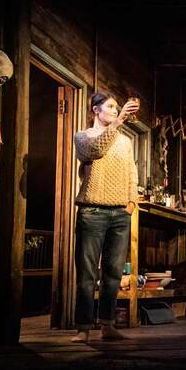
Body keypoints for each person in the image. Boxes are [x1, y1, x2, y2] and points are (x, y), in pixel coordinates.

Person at [71, 92, 139, 343]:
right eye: (110, 106)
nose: (114, 110)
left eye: (116, 107)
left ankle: (108, 325)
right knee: (87, 273)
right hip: (92, 212)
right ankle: (83, 327)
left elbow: (132, 173)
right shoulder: (83, 136)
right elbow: (96, 151)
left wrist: (131, 203)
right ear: (95, 109)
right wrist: (119, 121)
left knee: (113, 273)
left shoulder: (125, 142)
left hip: (120, 213)